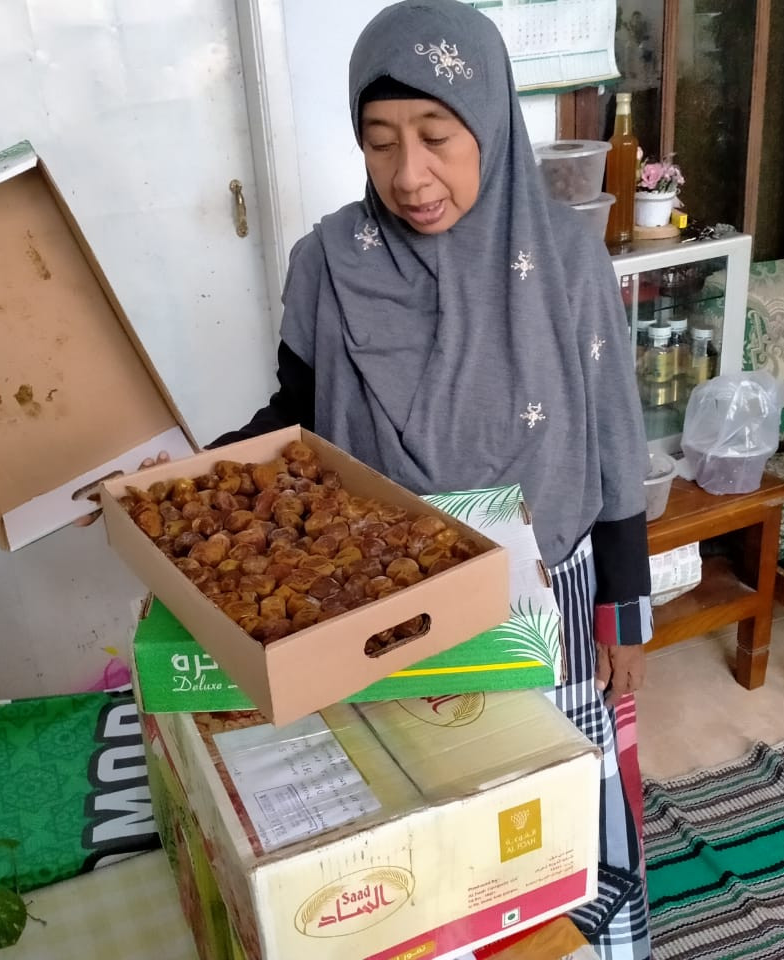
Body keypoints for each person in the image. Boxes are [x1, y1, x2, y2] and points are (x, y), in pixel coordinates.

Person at [208, 2, 654, 955]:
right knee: (420, 820)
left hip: (548, 599)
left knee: (552, 823)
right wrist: (190, 473)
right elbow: (293, 423)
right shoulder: (330, 264)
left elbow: (615, 437)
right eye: (379, 144)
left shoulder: (568, 258)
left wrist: (627, 613)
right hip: (384, 603)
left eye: (437, 136)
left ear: (488, 118)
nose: (410, 176)